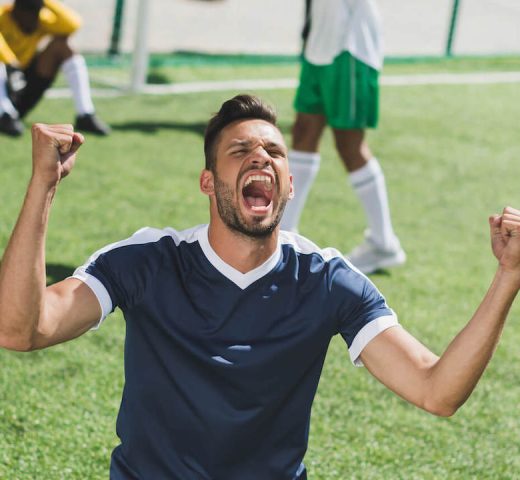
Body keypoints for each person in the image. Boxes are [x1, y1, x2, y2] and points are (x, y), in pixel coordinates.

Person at [0, 94, 519, 480]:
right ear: (209, 182)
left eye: (274, 150)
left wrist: (509, 276)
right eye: (240, 150)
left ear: (289, 183)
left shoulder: (327, 279)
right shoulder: (148, 261)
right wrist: (43, 185)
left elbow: (437, 391)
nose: (260, 157)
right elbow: (22, 329)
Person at [281, 0, 404, 274]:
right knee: (303, 131)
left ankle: (384, 243)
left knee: (349, 143)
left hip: (350, 45)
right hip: (320, 43)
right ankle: (284, 233)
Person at [0, 0, 110, 137]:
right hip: (4, 86)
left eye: (37, 13)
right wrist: (11, 62)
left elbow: (73, 24)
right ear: (16, 11)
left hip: (23, 86)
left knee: (61, 45)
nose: (34, 20)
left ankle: (85, 114)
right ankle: (4, 116)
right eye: (30, 14)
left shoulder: (40, 20)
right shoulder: (3, 16)